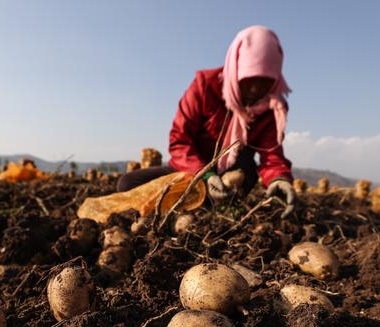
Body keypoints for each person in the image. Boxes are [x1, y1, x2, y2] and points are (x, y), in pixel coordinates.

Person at [117, 25, 296, 218]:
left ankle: (215, 208)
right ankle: (192, 205)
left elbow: (271, 154)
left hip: (232, 177)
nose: (255, 89)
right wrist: (204, 175)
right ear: (236, 68)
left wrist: (279, 178)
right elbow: (180, 141)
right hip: (191, 169)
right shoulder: (205, 86)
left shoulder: (273, 106)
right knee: (128, 184)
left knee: (245, 167)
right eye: (249, 79)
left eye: (265, 81)